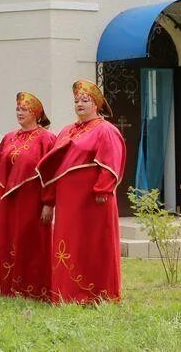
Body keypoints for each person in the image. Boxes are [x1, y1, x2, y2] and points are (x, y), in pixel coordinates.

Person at [36, 79, 127, 304]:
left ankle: (96, 294)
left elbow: (111, 162)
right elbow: (55, 164)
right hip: (68, 203)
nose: (79, 104)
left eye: (85, 100)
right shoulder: (68, 131)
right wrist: (50, 199)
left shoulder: (106, 130)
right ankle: (66, 293)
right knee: (69, 244)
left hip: (93, 201)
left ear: (96, 104)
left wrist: (102, 189)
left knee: (92, 244)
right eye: (76, 100)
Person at [0, 91, 57, 300]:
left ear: (36, 113)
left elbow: (52, 174)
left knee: (31, 241)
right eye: (18, 109)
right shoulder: (9, 137)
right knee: (7, 241)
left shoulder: (47, 139)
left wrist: (49, 203)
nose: (19, 112)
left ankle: (34, 290)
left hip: (33, 200)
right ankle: (7, 289)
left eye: (25, 109)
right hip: (8, 201)